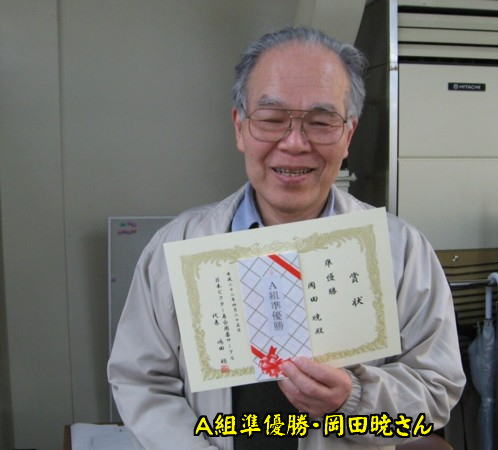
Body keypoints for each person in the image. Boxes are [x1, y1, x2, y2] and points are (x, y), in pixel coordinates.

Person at [108, 26, 465, 450]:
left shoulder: (402, 251)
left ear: (348, 135)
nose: (294, 143)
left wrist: (355, 399)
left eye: (321, 122)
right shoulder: (176, 248)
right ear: (240, 127)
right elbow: (141, 381)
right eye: (272, 119)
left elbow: (436, 392)